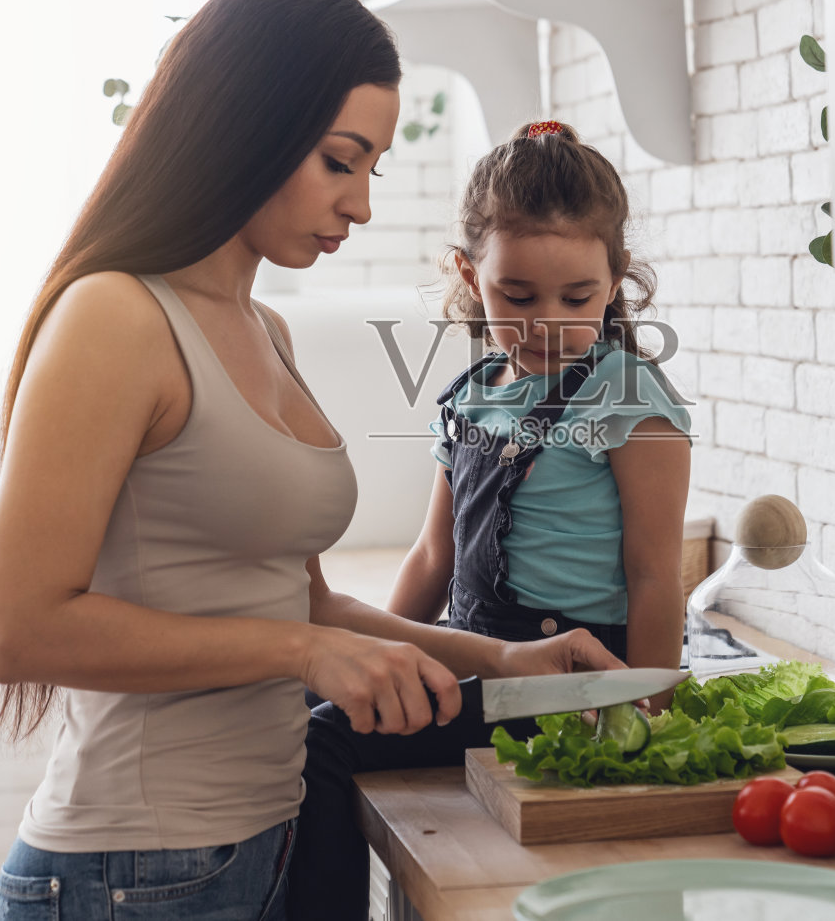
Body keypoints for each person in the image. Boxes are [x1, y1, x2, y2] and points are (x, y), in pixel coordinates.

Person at [0, 0, 623, 921]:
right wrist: (307, 652)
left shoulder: (265, 329)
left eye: (370, 170)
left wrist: (502, 660)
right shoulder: (115, 316)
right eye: (338, 161)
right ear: (248, 124)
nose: (359, 205)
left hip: (263, 843)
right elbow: (20, 631)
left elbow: (304, 602)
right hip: (132, 873)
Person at [288, 120, 693, 921]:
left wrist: (646, 720)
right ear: (471, 276)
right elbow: (431, 556)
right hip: (481, 659)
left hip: (567, 684)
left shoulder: (628, 394)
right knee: (299, 702)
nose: (547, 321)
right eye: (518, 296)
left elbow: (655, 576)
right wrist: (373, 654)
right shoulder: (471, 395)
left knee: (323, 741)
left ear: (616, 278)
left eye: (577, 298)